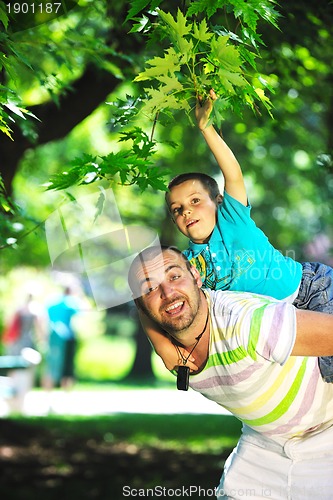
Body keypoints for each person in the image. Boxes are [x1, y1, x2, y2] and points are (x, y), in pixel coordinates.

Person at [140, 89, 333, 382]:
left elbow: (233, 174)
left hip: (310, 291)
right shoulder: (189, 265)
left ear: (218, 201)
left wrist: (206, 129)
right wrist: (167, 349)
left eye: (195, 201)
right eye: (177, 209)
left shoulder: (233, 218)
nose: (186, 212)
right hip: (276, 320)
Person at [128, 245, 333, 499]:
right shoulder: (172, 349)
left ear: (196, 275)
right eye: (150, 288)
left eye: (174, 276)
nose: (168, 293)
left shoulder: (249, 324)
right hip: (265, 444)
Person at [42, 286, 80, 391]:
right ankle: (66, 392)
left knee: (51, 364)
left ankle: (48, 391)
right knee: (67, 367)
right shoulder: (70, 302)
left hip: (53, 336)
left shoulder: (52, 302)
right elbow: (80, 313)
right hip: (67, 337)